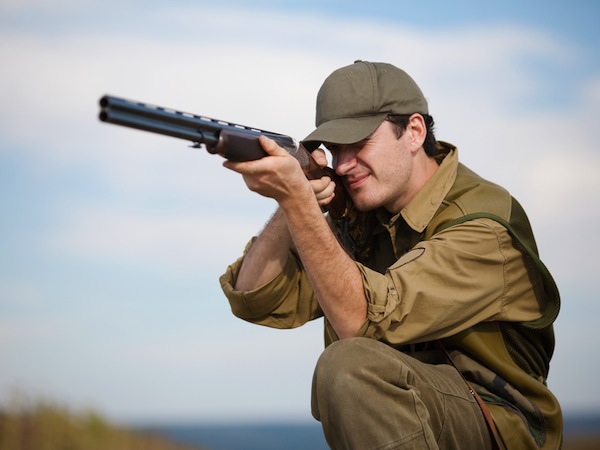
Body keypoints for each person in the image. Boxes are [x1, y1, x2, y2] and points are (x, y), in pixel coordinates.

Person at [219, 60, 562, 449]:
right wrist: (292, 201)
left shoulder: (483, 224)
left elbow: (362, 320)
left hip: (498, 422)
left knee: (350, 366)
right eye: (334, 149)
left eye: (360, 143)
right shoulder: (366, 217)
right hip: (412, 415)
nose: (344, 164)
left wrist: (298, 202)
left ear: (414, 131)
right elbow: (255, 299)